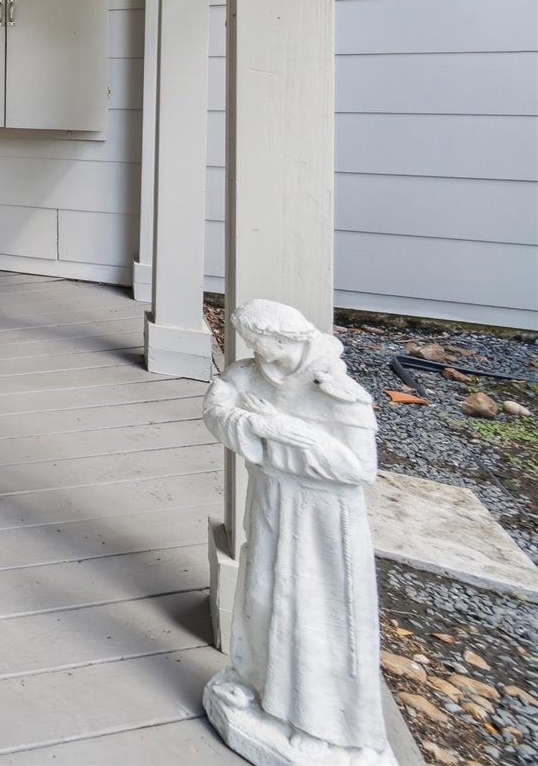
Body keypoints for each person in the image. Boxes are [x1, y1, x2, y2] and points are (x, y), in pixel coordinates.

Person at [203, 298, 393, 766]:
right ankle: (257, 684)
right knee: (264, 595)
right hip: (273, 501)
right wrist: (254, 423)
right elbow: (216, 408)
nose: (252, 349)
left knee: (315, 611)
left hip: (323, 520)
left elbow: (358, 468)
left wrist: (286, 431)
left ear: (287, 337)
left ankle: (323, 725)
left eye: (258, 339)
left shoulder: (335, 391)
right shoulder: (250, 375)